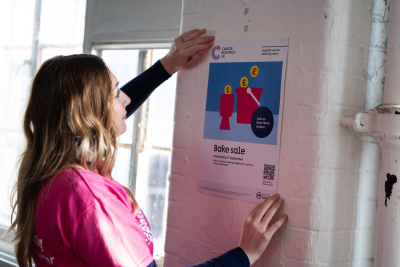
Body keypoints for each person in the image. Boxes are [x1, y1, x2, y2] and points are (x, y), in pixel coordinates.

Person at [5, 29, 288, 267]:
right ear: (89, 114)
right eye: (115, 93)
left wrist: (166, 65)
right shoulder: (88, 198)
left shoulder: (48, 176)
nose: (125, 101)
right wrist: (244, 254)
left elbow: (119, 103)